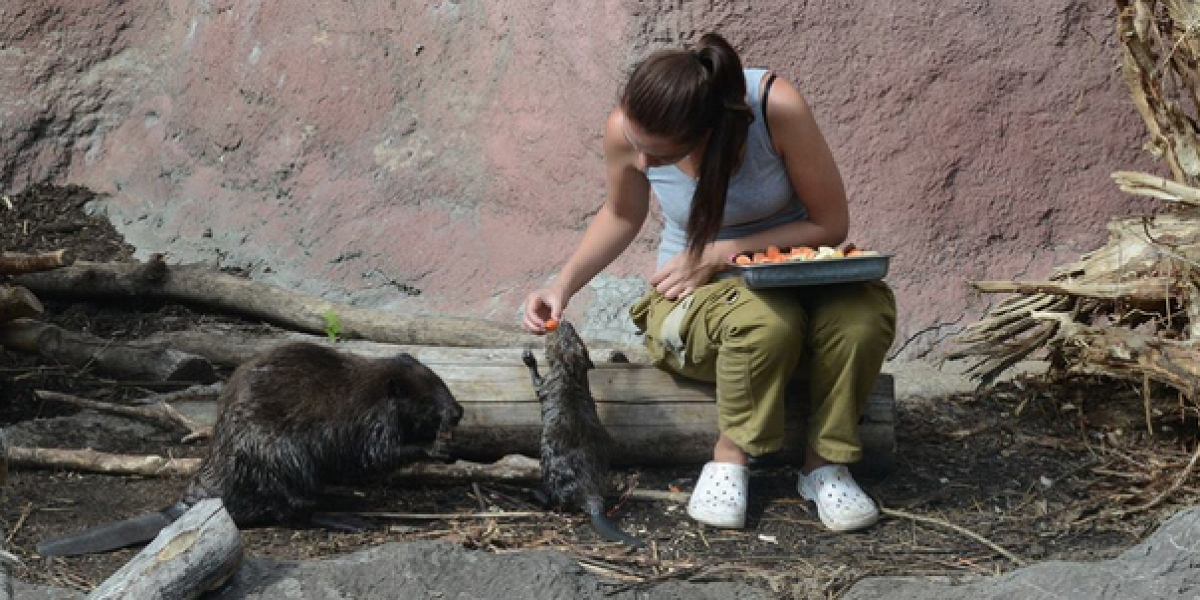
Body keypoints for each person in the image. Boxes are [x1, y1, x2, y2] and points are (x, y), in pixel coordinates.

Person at [521, 32, 896, 532]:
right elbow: (620, 215)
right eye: (635, 146)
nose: (642, 163)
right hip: (702, 300)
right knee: (767, 322)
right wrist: (562, 285)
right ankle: (729, 458)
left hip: (792, 272)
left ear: (711, 131)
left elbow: (830, 224)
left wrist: (721, 253)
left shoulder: (774, 108)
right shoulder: (628, 129)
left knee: (863, 316)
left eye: (658, 155)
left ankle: (824, 465)